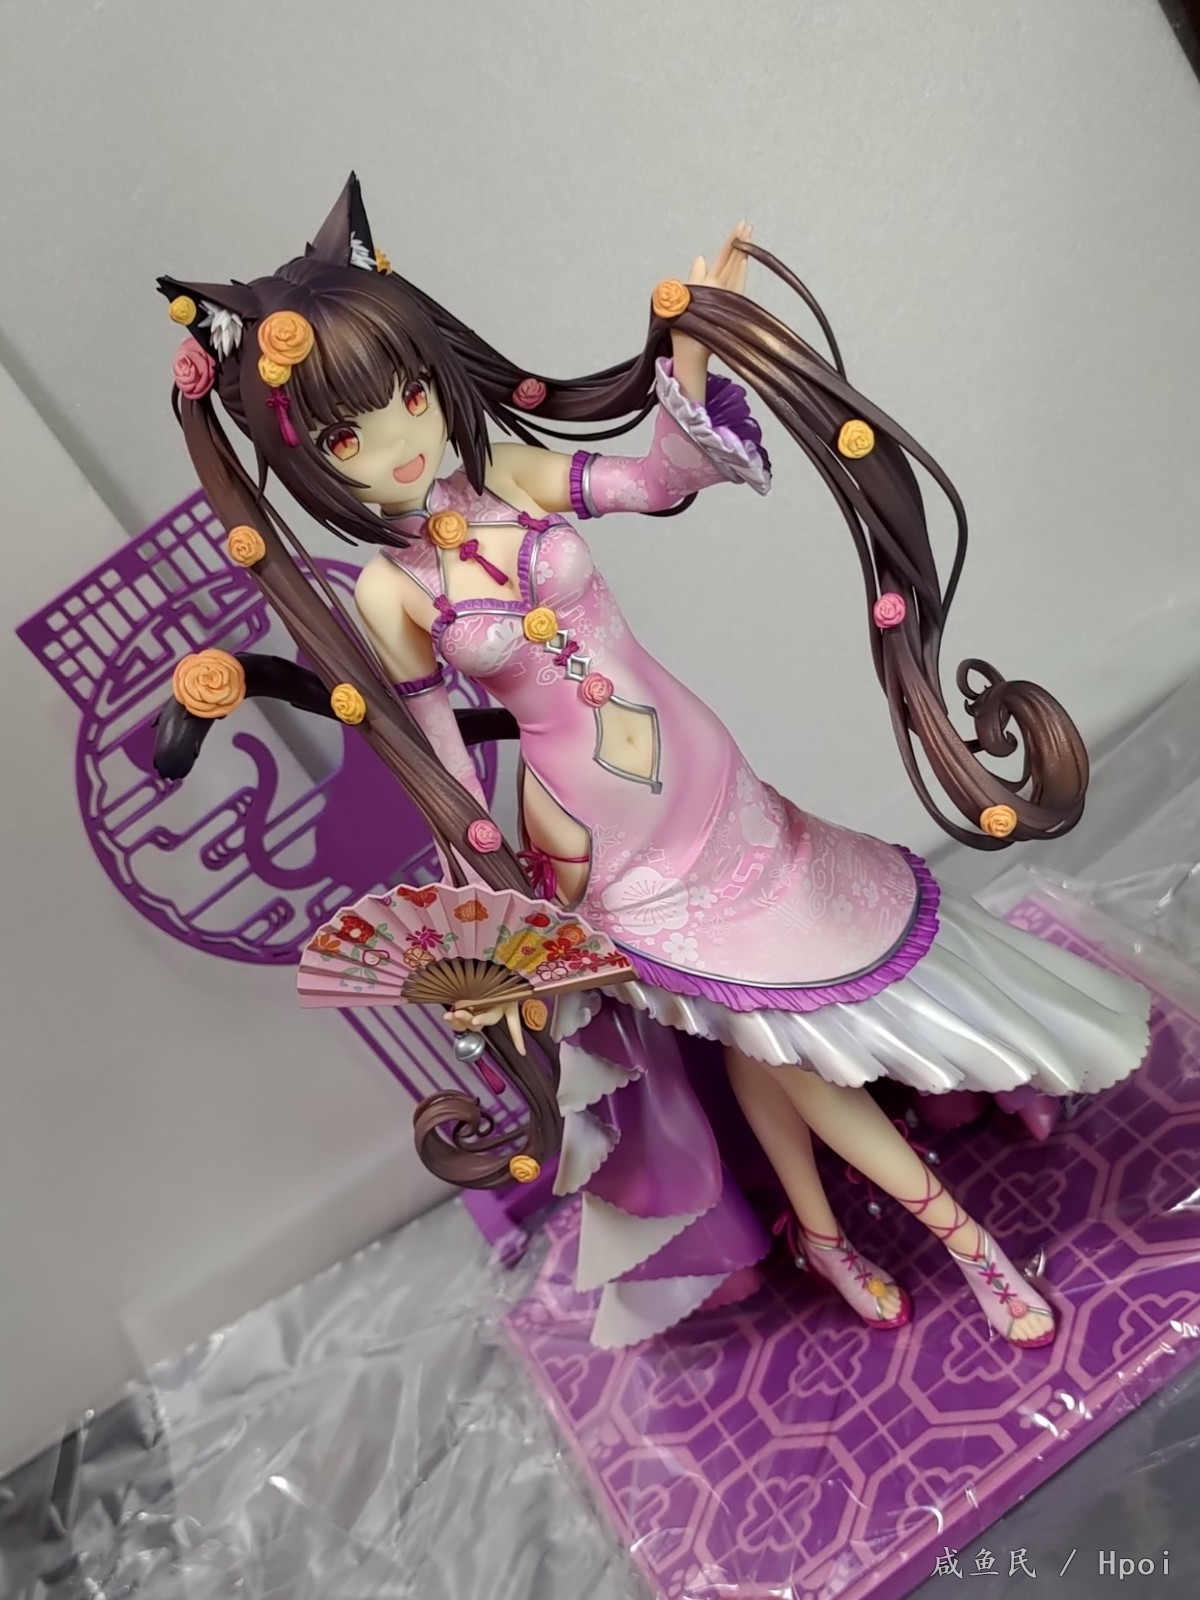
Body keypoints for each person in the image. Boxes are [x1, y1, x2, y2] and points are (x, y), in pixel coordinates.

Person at [158, 174, 1150, 1351]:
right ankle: (969, 1249)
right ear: (310, 461)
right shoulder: (389, 591)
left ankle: (832, 1223)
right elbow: (441, 756)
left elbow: (659, 480)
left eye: (412, 395)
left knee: (780, 1019)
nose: (402, 443)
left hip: (708, 779)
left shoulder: (509, 477)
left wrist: (687, 355)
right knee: (775, 1038)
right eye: (347, 437)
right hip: (600, 841)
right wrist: (489, 909)